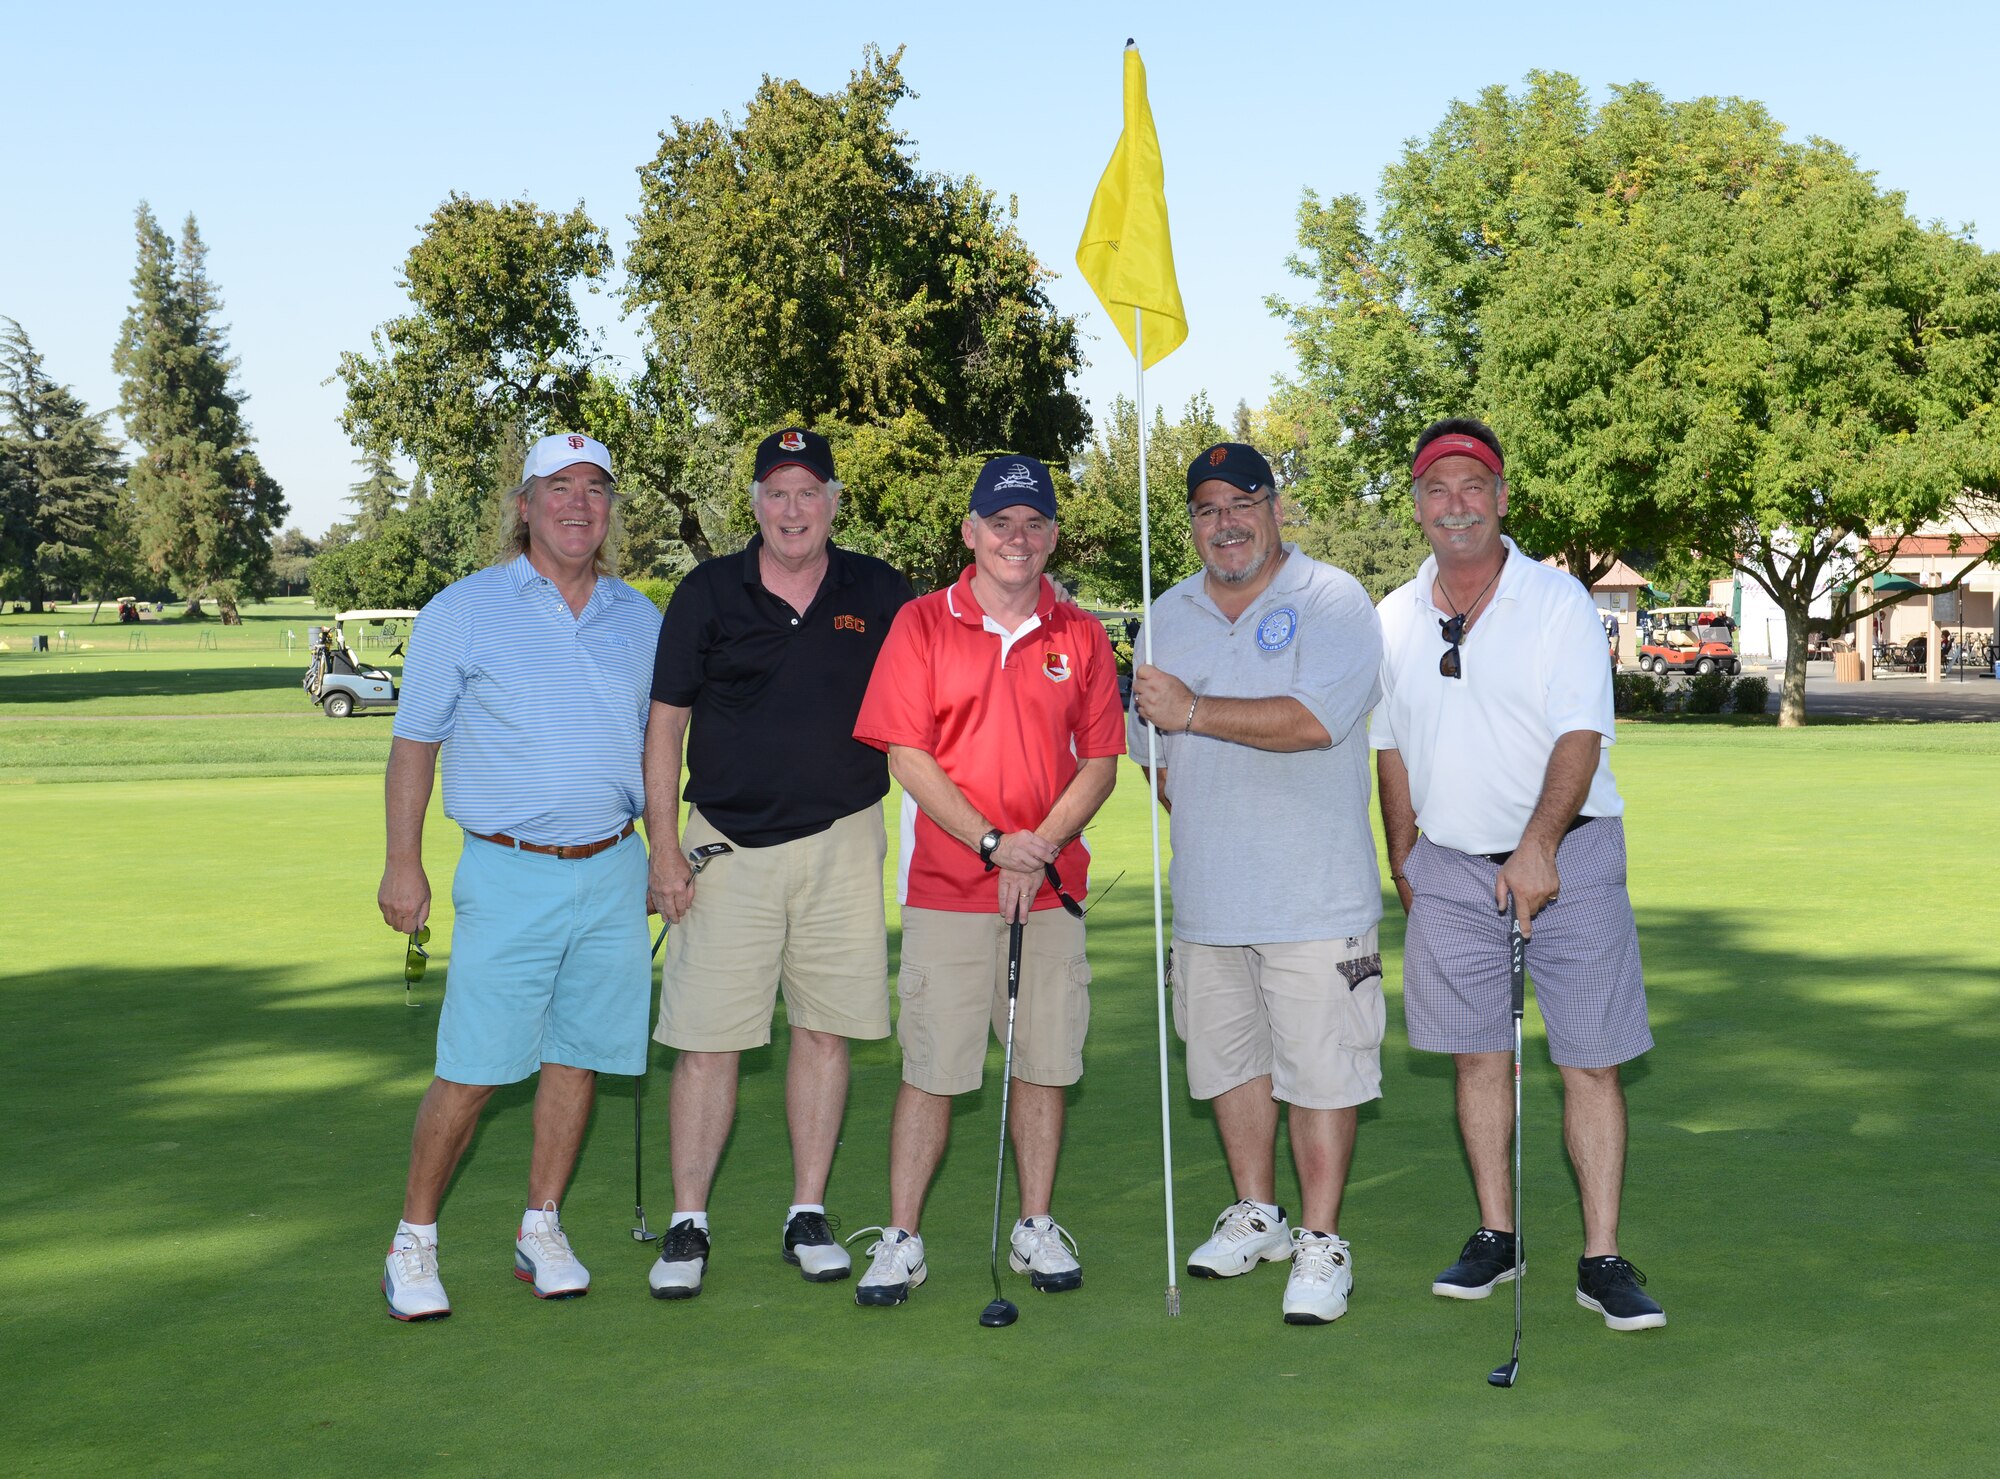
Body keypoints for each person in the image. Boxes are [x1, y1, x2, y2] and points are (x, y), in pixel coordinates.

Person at [1373, 417, 1666, 1332]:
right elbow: (1389, 748)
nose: (1454, 503)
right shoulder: (1391, 617)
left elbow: (1582, 731)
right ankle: (1498, 1234)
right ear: (1418, 505)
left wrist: (1539, 842)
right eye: (1436, 488)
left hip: (1569, 854)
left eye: (1473, 487)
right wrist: (1403, 855)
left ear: (1502, 499)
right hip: (1452, 868)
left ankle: (1603, 1256)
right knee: (1477, 1055)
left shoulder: (1557, 601)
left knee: (1590, 1061)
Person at [376, 433, 662, 1321]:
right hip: (507, 871)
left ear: (611, 509)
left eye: (596, 489)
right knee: (474, 1067)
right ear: (525, 504)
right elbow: (413, 744)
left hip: (614, 867)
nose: (579, 504)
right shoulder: (462, 609)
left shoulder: (641, 619)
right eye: (558, 487)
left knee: (577, 1058)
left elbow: (662, 751)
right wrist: (402, 861)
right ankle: (414, 1240)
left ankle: (541, 1224)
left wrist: (669, 852)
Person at [846, 454, 1125, 1307]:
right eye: (1000, 523)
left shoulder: (1078, 633)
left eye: (1034, 523)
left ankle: (1034, 1223)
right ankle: (902, 1236)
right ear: (969, 533)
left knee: (1042, 1064)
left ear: (1051, 536)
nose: (1018, 538)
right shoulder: (923, 623)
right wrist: (994, 841)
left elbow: (1103, 762)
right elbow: (907, 755)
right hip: (947, 886)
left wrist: (1036, 845)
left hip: (1049, 887)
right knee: (932, 1066)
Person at [641, 428, 913, 1300]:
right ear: (755, 503)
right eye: (776, 493)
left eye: (809, 492)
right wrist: (662, 845)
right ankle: (689, 1223)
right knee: (708, 1041)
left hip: (843, 837)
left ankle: (808, 1210)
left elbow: (939, 680)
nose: (793, 510)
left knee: (825, 1030)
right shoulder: (708, 593)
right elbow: (665, 726)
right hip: (726, 843)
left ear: (834, 502)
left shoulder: (878, 589)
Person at [1127, 443, 1385, 1325]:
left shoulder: (1332, 599)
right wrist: (1194, 765)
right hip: (1209, 898)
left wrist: (1196, 712)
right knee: (1230, 1065)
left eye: (1243, 502)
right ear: (1192, 523)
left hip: (1315, 896)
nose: (1225, 522)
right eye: (1206, 509)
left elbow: (1316, 721)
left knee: (1321, 1073)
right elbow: (1152, 761)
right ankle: (1258, 1214)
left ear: (1276, 509)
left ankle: (1320, 1240)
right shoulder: (1166, 616)